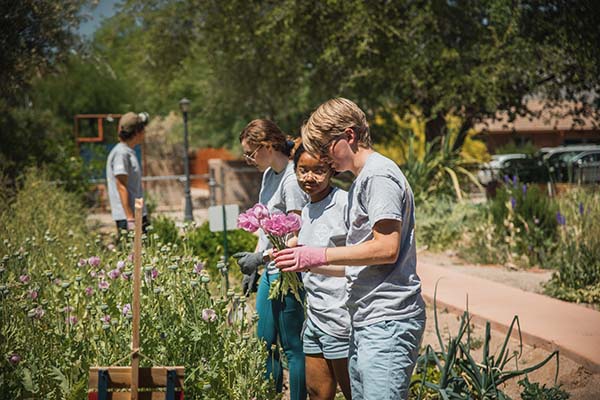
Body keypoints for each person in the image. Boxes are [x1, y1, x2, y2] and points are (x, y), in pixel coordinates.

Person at [275, 98, 426, 400]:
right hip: (367, 319)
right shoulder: (361, 181)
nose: (322, 157)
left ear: (350, 136)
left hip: (388, 320)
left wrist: (320, 254)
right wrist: (305, 261)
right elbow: (359, 262)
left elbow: (387, 248)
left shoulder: (379, 176)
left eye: (324, 146)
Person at [232, 119, 309, 400]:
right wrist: (255, 261)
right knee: (265, 341)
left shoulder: (291, 180)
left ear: (267, 146)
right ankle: (271, 395)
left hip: (287, 270)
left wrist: (261, 258)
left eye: (250, 153)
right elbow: (264, 224)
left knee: (291, 345)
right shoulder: (268, 176)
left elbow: (297, 236)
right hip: (269, 269)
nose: (248, 159)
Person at [293, 144, 352, 400]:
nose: (309, 177)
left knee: (354, 393)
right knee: (316, 393)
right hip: (315, 315)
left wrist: (307, 261)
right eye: (303, 170)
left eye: (318, 170)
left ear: (331, 170)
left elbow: (356, 262)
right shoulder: (306, 210)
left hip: (341, 317)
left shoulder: (344, 203)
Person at [106, 112, 149, 240]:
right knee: (132, 256)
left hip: (138, 214)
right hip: (128, 217)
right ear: (137, 132)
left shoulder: (128, 152)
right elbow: (121, 185)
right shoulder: (121, 154)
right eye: (143, 129)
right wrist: (130, 219)